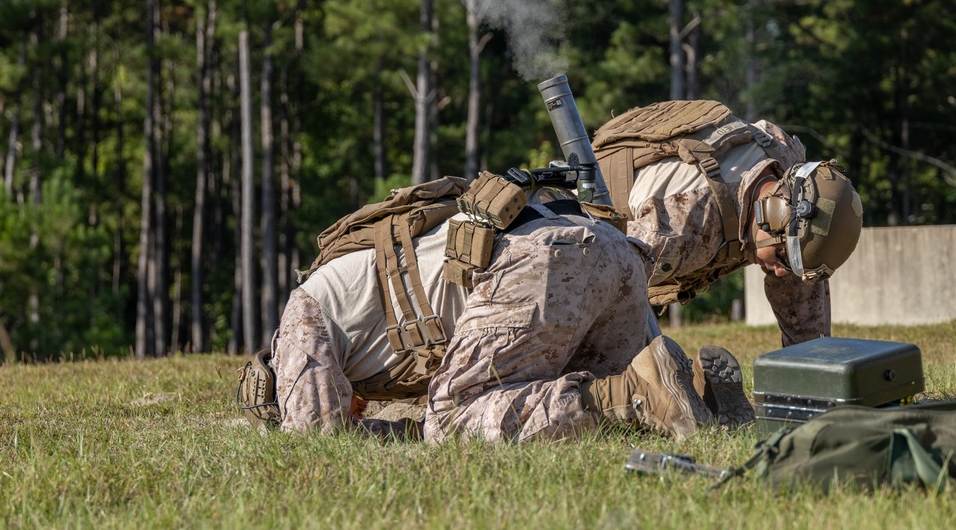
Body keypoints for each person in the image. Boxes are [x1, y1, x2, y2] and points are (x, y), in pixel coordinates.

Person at [239, 174, 752, 443]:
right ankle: (699, 394)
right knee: (566, 395)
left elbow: (319, 435)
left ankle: (633, 391)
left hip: (537, 266)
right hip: (605, 247)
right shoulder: (350, 305)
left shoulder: (300, 320)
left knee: (454, 421)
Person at [594, 105, 863, 347]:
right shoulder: (681, 228)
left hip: (704, 216)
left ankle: (810, 364)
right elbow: (596, 277)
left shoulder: (789, 167)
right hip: (590, 234)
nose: (782, 272)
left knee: (800, 253)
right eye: (783, 258)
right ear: (771, 212)